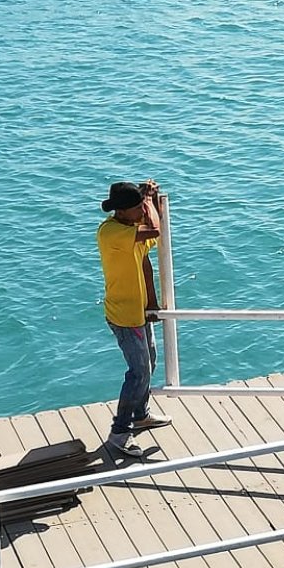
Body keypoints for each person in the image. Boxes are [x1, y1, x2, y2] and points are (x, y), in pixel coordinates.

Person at [97, 180, 173, 457]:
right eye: (137, 208)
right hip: (125, 316)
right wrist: (148, 200)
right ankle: (119, 434)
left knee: (149, 362)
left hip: (139, 312)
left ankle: (140, 414)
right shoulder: (112, 233)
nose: (142, 211)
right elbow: (154, 227)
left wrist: (150, 200)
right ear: (122, 211)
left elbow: (155, 228)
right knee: (138, 372)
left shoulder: (132, 231)